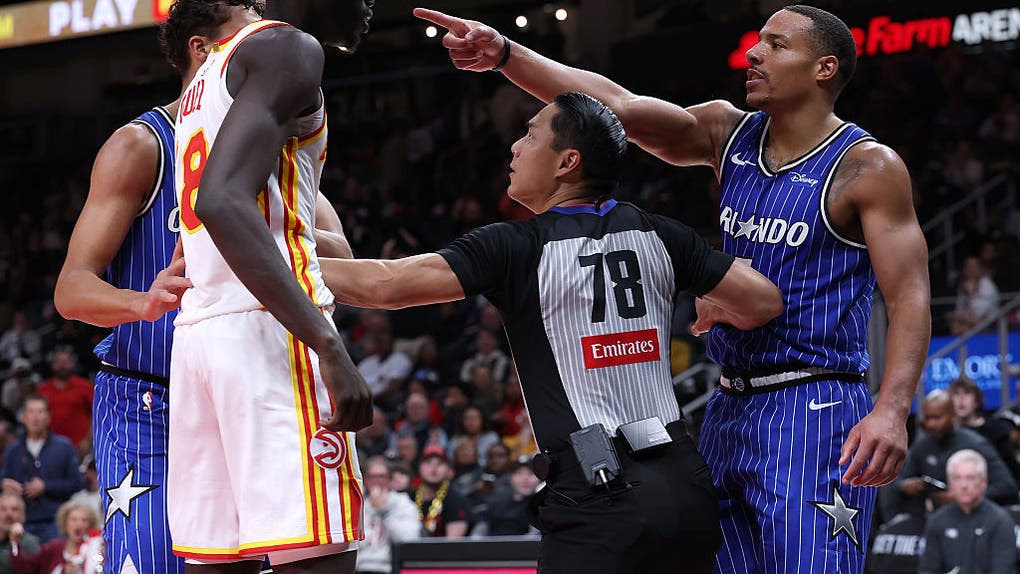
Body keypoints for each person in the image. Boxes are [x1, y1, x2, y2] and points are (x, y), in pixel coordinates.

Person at [414, 5, 931, 572]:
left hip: (817, 402)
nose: (754, 53)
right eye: (757, 42)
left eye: (776, 45)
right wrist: (507, 55)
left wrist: (891, 410)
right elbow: (617, 108)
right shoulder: (726, 131)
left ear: (824, 68)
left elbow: (909, 294)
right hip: (728, 403)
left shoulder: (867, 166)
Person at [319, 92, 782, 573]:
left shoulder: (516, 245)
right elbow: (763, 301)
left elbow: (383, 286)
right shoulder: (663, 234)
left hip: (598, 493)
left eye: (530, 134)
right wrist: (712, 305)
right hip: (686, 486)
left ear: (568, 162)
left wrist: (261, 258)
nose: (515, 147)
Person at [169, 0, 375, 571]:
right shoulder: (288, 47)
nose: (368, 6)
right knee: (315, 557)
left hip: (200, 334)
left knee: (218, 561)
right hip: (271, 330)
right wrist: (326, 344)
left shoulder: (208, 71)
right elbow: (220, 199)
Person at [894, 391, 1017, 514]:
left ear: (953, 416)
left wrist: (963, 496)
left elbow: (1006, 485)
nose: (931, 424)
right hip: (935, 519)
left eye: (937, 417)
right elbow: (900, 480)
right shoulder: (921, 446)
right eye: (927, 418)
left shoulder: (975, 444)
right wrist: (907, 485)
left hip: (976, 517)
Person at [918, 449, 1017, 574]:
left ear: (984, 482)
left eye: (970, 478)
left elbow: (1003, 570)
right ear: (950, 483)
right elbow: (928, 569)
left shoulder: (1000, 521)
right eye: (957, 478)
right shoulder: (937, 520)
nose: (963, 485)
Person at [0, 397, 83, 543]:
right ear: (24, 417)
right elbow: (4, 478)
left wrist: (46, 486)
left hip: (55, 522)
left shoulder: (63, 446)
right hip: (22, 522)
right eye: (31, 412)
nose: (35, 417)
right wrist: (5, 484)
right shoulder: (14, 450)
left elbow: (77, 483)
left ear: (48, 417)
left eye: (40, 411)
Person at [355, 457, 423, 574]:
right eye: (372, 477)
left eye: (381, 476)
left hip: (391, 569)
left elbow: (409, 538)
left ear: (390, 479)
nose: (377, 481)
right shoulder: (358, 506)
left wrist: (383, 512)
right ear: (365, 480)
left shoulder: (403, 503)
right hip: (360, 568)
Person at [949, 377, 1020, 481]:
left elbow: (1010, 471)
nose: (961, 399)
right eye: (956, 394)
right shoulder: (948, 433)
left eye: (967, 393)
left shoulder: (997, 430)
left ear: (977, 401)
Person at [8, 501, 102, 574]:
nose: (79, 524)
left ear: (90, 525)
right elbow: (23, 567)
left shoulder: (94, 551)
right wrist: (14, 542)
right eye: (74, 519)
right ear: (65, 523)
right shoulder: (53, 548)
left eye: (84, 520)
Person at [34, 351, 91, 455]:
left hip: (80, 447)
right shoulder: (43, 389)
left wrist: (89, 440)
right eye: (58, 362)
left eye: (66, 362)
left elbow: (97, 416)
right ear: (52, 365)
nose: (62, 366)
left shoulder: (85, 386)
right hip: (49, 447)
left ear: (73, 364)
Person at [414, 445, 470, 539]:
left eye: (440, 463)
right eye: (428, 462)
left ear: (448, 470)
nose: (434, 467)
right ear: (419, 467)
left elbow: (452, 544)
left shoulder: (456, 500)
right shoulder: (408, 497)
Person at [0, 494, 40, 574]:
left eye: (14, 509)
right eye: (3, 509)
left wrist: (14, 540)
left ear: (23, 516)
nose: (9, 514)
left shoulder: (30, 542)